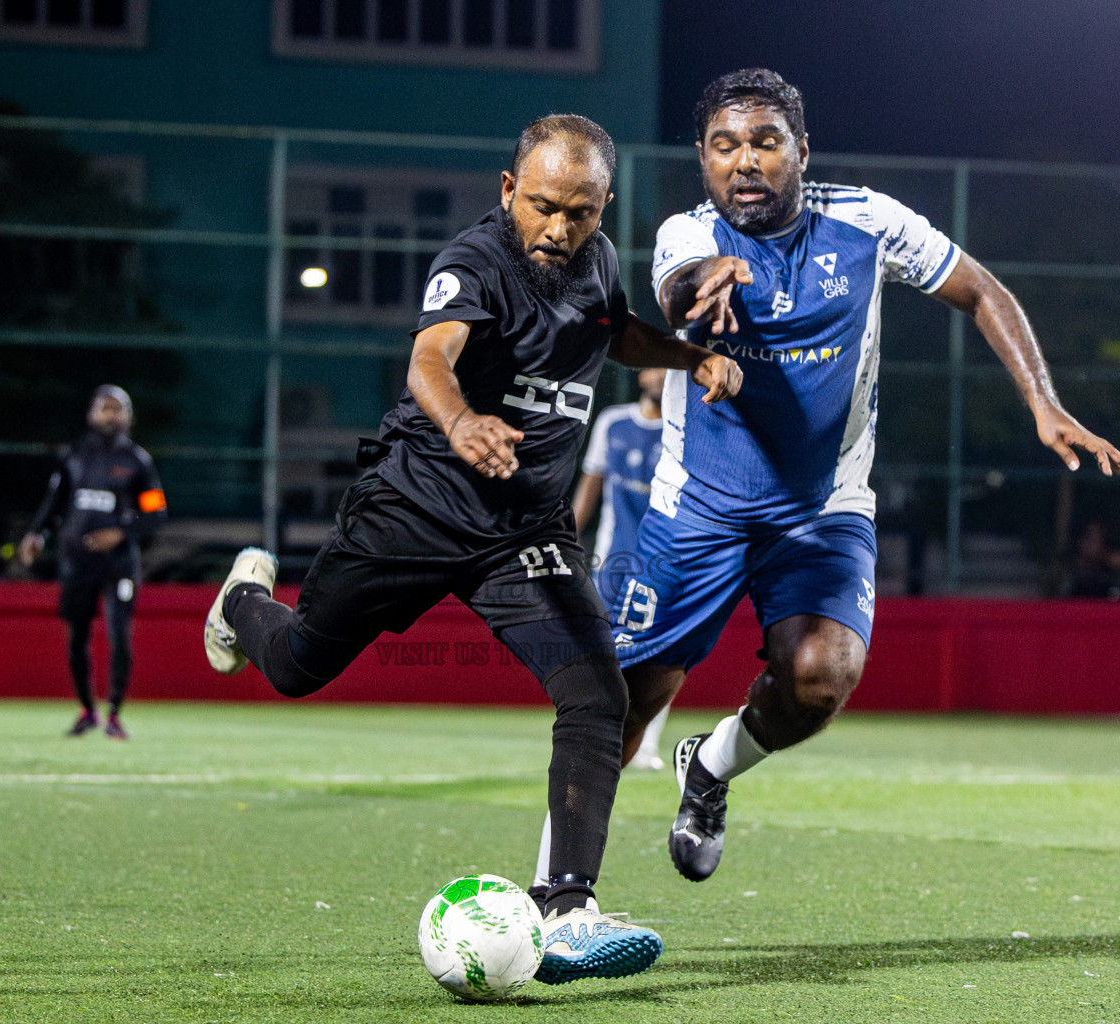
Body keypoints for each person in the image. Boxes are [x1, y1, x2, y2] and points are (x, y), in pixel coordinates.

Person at [202, 115, 741, 984]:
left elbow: (613, 329)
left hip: (522, 530)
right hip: (412, 510)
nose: (559, 229)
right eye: (542, 207)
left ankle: (566, 908)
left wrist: (686, 355)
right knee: (299, 665)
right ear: (506, 191)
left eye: (581, 212)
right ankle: (241, 605)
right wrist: (459, 421)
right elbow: (429, 358)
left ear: (604, 206)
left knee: (596, 695)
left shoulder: (592, 261)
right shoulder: (476, 259)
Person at [608, 69, 1120, 884]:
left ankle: (710, 766)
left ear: (801, 151)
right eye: (724, 146)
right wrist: (702, 286)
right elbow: (678, 293)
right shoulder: (689, 233)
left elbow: (981, 291)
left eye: (764, 142)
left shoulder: (867, 222)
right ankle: (559, 894)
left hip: (823, 506)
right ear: (705, 161)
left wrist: (1043, 401)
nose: (744, 161)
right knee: (626, 704)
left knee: (819, 682)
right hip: (700, 503)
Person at [19, 385, 167, 740]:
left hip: (118, 564)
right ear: (91, 414)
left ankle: (114, 714)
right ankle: (87, 710)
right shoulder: (74, 456)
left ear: (128, 417)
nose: (110, 415)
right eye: (104, 408)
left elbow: (156, 512)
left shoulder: (137, 461)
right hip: (77, 561)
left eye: (117, 409)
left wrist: (121, 532)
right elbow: (54, 505)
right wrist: (36, 536)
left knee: (119, 638)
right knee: (77, 638)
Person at [570, 367, 672, 770]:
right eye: (657, 365)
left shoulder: (684, 429)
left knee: (660, 651)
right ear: (642, 371)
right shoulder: (613, 421)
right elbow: (590, 486)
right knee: (605, 650)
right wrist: (568, 538)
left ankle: (644, 746)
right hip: (612, 559)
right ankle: (598, 731)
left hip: (664, 561)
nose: (664, 376)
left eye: (673, 369)